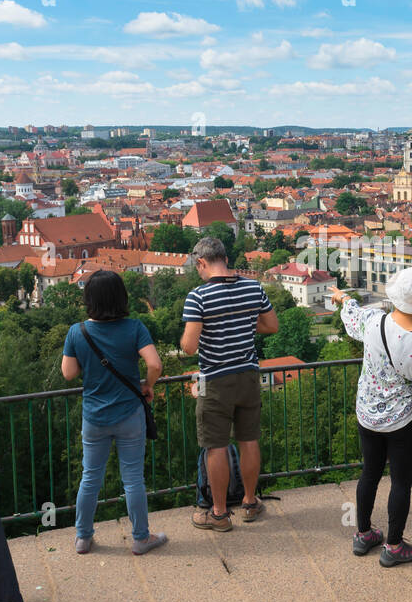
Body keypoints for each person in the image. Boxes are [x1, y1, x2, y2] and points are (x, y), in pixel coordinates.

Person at [329, 268, 412, 567]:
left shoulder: (373, 321)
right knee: (400, 482)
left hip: (367, 413)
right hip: (401, 422)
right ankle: (394, 546)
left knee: (369, 473)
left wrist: (343, 297)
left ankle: (363, 533)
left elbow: (352, 314)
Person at [61, 270, 165, 555]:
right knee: (133, 478)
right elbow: (155, 364)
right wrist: (147, 386)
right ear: (122, 297)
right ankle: (141, 538)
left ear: (88, 299)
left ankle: (83, 537)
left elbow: (68, 374)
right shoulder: (135, 328)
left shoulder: (77, 331)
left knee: (90, 477)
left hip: (94, 416)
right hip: (129, 414)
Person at [181, 236, 279, 532]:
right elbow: (271, 326)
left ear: (202, 262)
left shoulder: (198, 297)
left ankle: (220, 514)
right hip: (248, 374)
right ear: (224, 257)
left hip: (214, 379)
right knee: (249, 440)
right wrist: (245, 327)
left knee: (216, 446)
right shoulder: (253, 286)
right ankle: (250, 503)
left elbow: (188, 346)